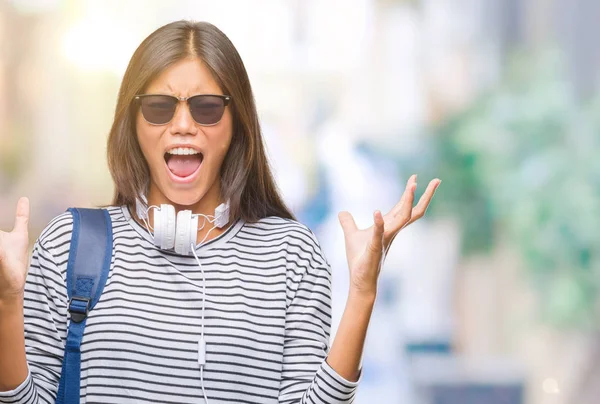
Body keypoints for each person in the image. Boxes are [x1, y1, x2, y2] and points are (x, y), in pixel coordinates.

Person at [0, 20, 440, 403]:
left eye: (207, 107)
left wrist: (362, 294)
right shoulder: (68, 244)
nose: (184, 124)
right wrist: (5, 303)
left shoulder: (292, 255)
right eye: (159, 107)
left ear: (236, 125)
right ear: (133, 125)